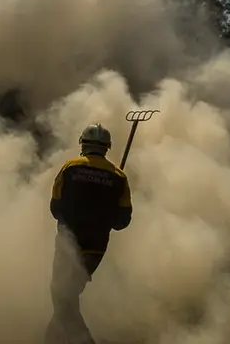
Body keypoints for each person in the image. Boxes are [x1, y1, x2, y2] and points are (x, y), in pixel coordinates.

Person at [44, 123, 133, 344]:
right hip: (95, 248)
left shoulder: (69, 168)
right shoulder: (118, 177)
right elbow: (122, 221)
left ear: (83, 144)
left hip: (68, 243)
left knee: (62, 296)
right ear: (107, 147)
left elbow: (55, 209)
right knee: (67, 297)